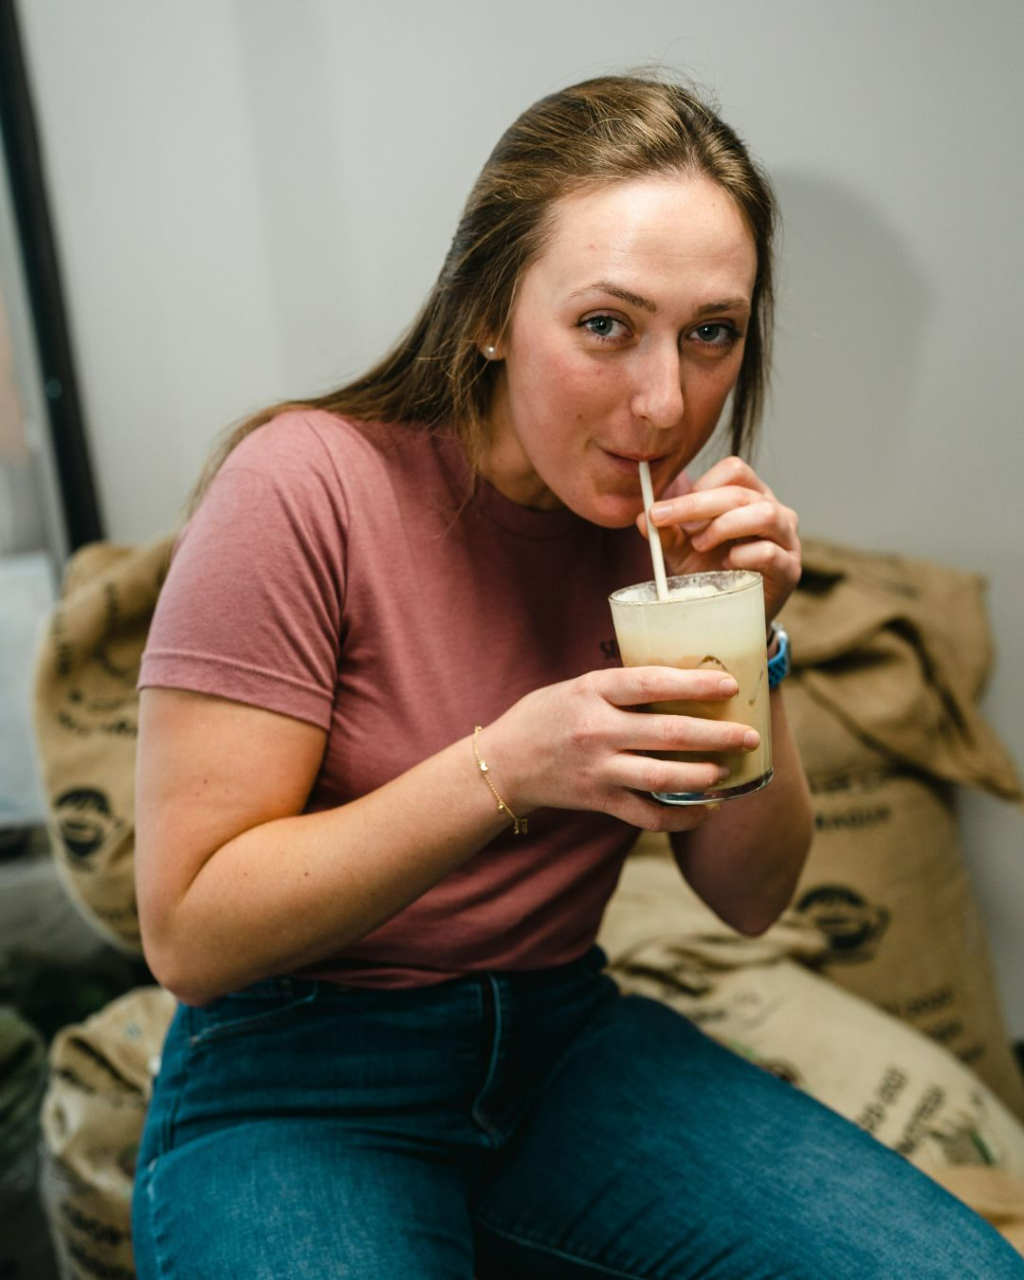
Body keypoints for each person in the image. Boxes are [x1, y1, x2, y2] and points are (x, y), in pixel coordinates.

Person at [130, 74, 1023, 1278]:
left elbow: (749, 894)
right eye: (605, 325)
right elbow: (189, 932)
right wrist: (510, 764)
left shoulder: (666, 539)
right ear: (487, 312)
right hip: (297, 1076)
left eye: (711, 333)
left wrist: (751, 638)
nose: (664, 404)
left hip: (561, 1041)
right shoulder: (302, 485)